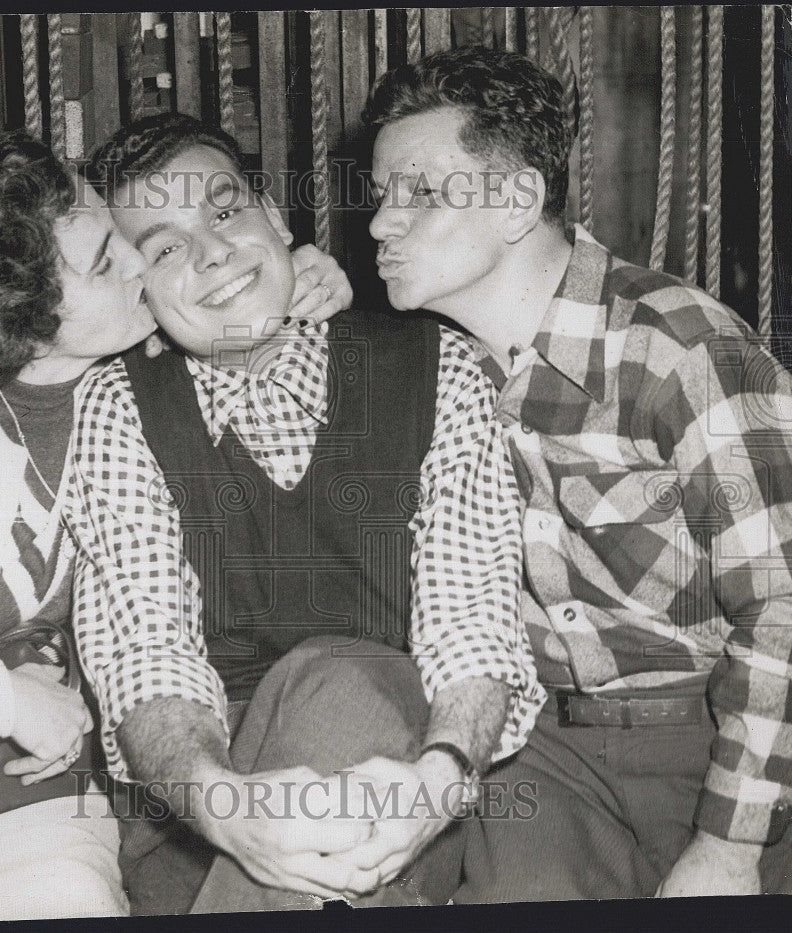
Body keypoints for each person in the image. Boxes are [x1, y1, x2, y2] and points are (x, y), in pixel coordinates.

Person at [0, 130, 348, 925]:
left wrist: (306, 286)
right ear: (21, 323)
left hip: (33, 794)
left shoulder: (102, 369)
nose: (138, 266)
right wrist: (3, 701)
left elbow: (241, 319)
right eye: (105, 263)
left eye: (120, 241)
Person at [63, 112, 545, 914]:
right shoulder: (120, 405)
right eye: (166, 246)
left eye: (224, 212)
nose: (213, 252)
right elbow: (148, 652)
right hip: (199, 813)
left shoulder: (435, 368)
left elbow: (474, 624)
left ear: (277, 221)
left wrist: (439, 778)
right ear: (137, 290)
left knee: (341, 678)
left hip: (401, 796)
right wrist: (230, 811)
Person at [363, 45, 792, 899]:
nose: (379, 221)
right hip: (545, 753)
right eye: (380, 194)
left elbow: (782, 607)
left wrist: (731, 846)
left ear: (521, 199)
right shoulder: (423, 364)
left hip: (720, 733)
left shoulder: (679, 348)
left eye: (418, 192)